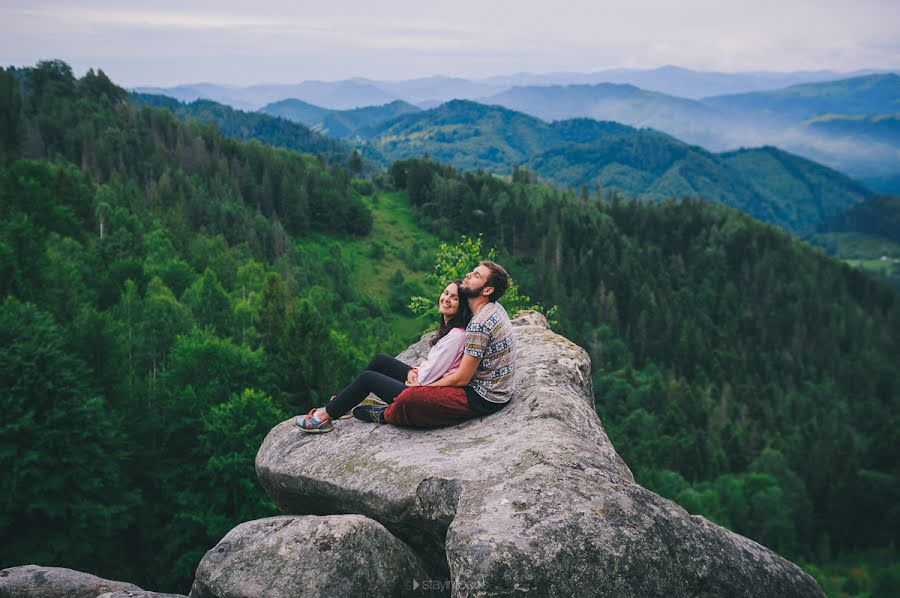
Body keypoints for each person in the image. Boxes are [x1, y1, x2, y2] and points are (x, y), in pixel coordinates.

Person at [352, 260, 516, 428]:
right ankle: (356, 397)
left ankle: (387, 414)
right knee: (384, 364)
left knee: (410, 397)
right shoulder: (494, 308)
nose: (468, 274)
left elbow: (462, 378)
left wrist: (424, 388)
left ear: (488, 290)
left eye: (476, 275)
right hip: (499, 389)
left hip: (484, 397)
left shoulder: (479, 324)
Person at [296, 280, 473, 433]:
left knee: (368, 379)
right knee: (381, 360)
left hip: (422, 395)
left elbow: (427, 378)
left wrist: (417, 376)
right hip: (426, 383)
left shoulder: (455, 337)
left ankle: (324, 417)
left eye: (454, 298)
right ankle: (344, 403)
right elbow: (437, 365)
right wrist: (416, 370)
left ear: (462, 307)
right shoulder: (453, 331)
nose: (446, 299)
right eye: (446, 293)